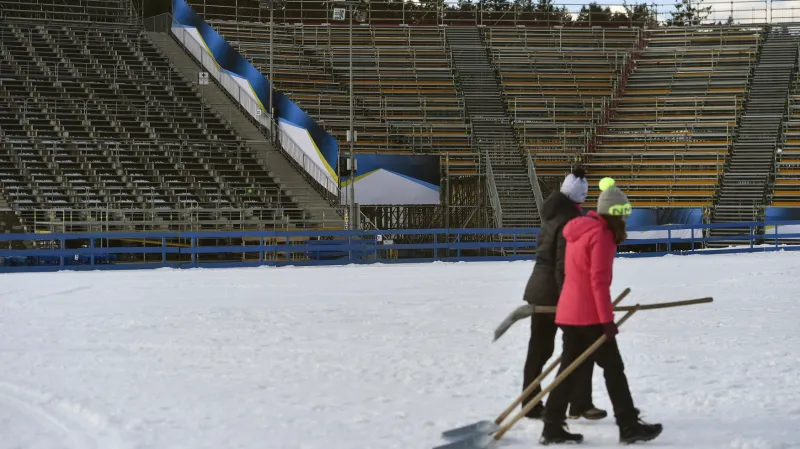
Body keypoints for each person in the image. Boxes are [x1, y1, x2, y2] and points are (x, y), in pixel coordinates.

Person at [539, 177, 663, 445]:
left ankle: (552, 426)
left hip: (569, 310)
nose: (625, 221)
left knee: (568, 370)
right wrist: (607, 321)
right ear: (615, 214)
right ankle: (628, 425)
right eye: (623, 215)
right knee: (613, 368)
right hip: (589, 315)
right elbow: (598, 281)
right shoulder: (602, 235)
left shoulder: (580, 230)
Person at [521, 166, 607, 421]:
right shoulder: (569, 220)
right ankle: (579, 403)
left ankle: (531, 402)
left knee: (540, 349)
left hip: (539, 289)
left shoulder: (552, 214)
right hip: (555, 293)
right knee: (581, 345)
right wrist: (569, 297)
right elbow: (562, 263)